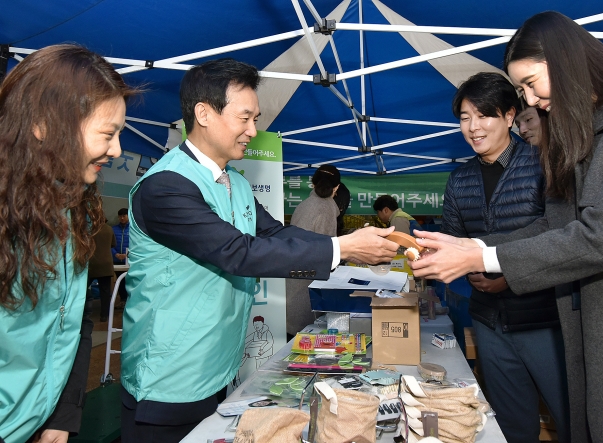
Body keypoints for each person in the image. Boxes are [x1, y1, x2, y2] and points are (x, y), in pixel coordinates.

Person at [410, 11, 603, 443]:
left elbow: (602, 236)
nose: (532, 101)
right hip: (594, 327)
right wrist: (468, 246)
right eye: (522, 90)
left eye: (531, 84)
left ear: (565, 61)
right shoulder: (582, 131)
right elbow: (551, 224)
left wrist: (480, 256)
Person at [120, 57, 397, 442]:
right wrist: (341, 246)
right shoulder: (165, 186)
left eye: (256, 119)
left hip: (219, 368)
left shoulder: (236, 183)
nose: (253, 130)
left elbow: (278, 235)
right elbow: (239, 252)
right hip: (170, 378)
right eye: (245, 118)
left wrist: (349, 250)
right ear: (203, 113)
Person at [0, 44, 131, 443]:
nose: (117, 151)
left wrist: (62, 413)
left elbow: (71, 322)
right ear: (43, 124)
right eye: (107, 134)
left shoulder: (71, 209)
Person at [443, 72, 568, 443]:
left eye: (485, 116)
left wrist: (507, 272)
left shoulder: (544, 162)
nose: (474, 127)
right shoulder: (459, 180)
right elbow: (454, 242)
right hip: (488, 320)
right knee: (511, 425)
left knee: (573, 416)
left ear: (510, 117)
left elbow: (559, 232)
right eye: (465, 118)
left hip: (545, 318)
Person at [286, 164, 341, 336]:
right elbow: (327, 253)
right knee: (305, 338)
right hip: (308, 284)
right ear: (337, 187)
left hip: (291, 277)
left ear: (312, 184)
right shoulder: (326, 209)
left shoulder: (303, 205)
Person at [88, 217, 117, 323]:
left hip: (92, 263)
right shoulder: (109, 229)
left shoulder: (90, 229)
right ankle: (104, 315)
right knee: (105, 292)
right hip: (106, 264)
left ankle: (82, 313)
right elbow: (113, 244)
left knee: (83, 290)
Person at [111, 207, 129, 303]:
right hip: (117, 260)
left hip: (129, 260)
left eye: (124, 216)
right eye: (120, 216)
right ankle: (123, 300)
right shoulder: (113, 229)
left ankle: (130, 300)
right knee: (120, 281)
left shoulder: (133, 230)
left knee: (129, 281)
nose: (122, 218)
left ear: (128, 216)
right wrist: (116, 254)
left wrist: (127, 255)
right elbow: (109, 244)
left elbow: (136, 244)